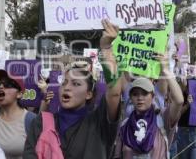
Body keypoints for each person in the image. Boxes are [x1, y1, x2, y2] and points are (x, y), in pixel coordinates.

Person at [23, 19, 122, 159]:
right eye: (64, 82)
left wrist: (106, 47)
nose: (67, 88)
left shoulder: (100, 124)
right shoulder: (40, 123)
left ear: (89, 94)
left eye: (76, 84)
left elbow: (114, 92)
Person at [112, 48, 184, 157]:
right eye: (135, 94)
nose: (140, 98)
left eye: (145, 93)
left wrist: (165, 69)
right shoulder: (125, 123)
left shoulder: (163, 117)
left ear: (153, 95)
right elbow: (122, 70)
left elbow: (179, 101)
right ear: (130, 97)